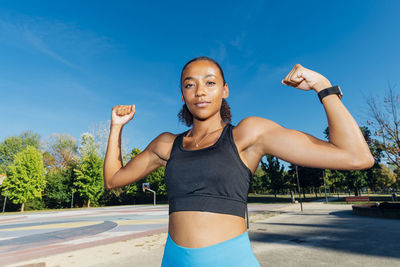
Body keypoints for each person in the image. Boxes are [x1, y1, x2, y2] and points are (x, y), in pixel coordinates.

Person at [103, 56, 375, 266]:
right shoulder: (166, 144)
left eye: (210, 82)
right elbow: (113, 180)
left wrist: (322, 86)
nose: (200, 91)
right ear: (182, 95)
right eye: (190, 84)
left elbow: (357, 157)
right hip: (173, 260)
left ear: (225, 90)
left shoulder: (248, 134)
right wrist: (116, 127)